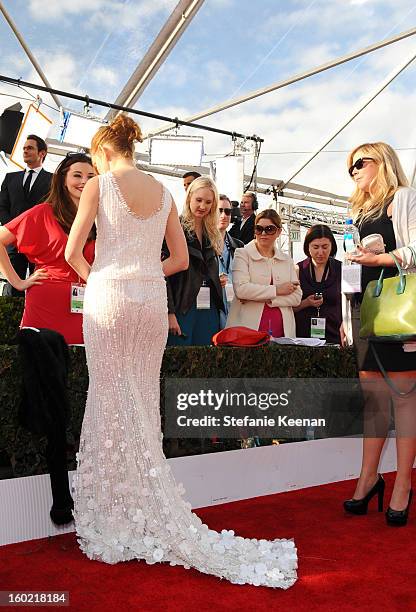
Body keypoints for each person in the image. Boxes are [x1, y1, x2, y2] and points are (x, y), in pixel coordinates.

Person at [65, 114, 297, 587]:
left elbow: (73, 254)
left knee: (109, 397)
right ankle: (144, 507)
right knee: (142, 401)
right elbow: (181, 259)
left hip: (109, 296)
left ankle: (115, 516)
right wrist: (143, 272)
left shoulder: (100, 184)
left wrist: (106, 277)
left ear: (104, 151)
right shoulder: (165, 192)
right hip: (151, 299)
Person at [342, 142, 416, 526]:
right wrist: (344, 317)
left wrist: (383, 257)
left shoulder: (403, 198)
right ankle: (369, 478)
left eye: (359, 162)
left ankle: (403, 484)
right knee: (373, 402)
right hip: (364, 311)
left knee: (404, 399)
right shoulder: (358, 210)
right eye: (349, 166)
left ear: (382, 161)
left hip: (400, 311)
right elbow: (351, 271)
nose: (353, 170)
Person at [0, 153, 96, 345]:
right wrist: (17, 282)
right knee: (41, 369)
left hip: (89, 306)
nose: (84, 181)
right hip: (46, 305)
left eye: (91, 177)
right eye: (77, 175)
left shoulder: (101, 218)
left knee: (81, 371)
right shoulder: (43, 212)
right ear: (63, 180)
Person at [166, 176, 226, 346]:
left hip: (208, 308)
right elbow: (163, 274)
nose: (203, 206)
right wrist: (169, 312)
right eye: (199, 200)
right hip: (183, 307)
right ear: (189, 197)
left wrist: (216, 279)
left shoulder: (211, 232)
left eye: (208, 202)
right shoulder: (175, 227)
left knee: (205, 363)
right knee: (180, 364)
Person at [226, 209, 302, 337]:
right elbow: (241, 290)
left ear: (278, 231)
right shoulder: (242, 254)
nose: (263, 233)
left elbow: (296, 297)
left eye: (269, 229)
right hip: (247, 331)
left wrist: (264, 298)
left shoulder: (287, 260)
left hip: (282, 331)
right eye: (258, 228)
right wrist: (277, 290)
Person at [0, 135, 53, 296]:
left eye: (30, 148)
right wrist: (14, 232)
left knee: (40, 284)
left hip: (40, 244)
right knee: (11, 289)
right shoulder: (11, 178)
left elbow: (53, 211)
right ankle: (10, 321)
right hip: (12, 243)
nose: (25, 151)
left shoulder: (53, 180)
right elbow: (1, 207)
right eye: (24, 148)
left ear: (42, 153)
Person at [294, 224, 342, 343]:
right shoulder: (297, 269)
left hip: (335, 335)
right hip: (303, 337)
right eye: (315, 247)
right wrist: (306, 303)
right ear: (307, 247)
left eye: (325, 247)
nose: (320, 252)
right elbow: (288, 308)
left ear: (332, 247)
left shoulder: (341, 269)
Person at [217, 194, 243, 328]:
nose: (224, 215)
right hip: (212, 311)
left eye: (227, 211)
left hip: (235, 311)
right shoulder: (202, 244)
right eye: (219, 210)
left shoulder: (239, 246)